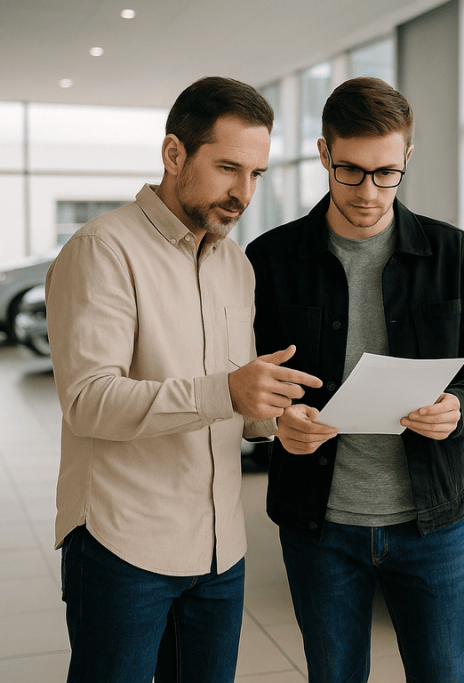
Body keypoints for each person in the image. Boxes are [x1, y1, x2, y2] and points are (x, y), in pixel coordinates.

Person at [45, 76, 322, 683]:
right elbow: (89, 402)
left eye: (256, 174)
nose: (244, 192)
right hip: (124, 545)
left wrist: (279, 419)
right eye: (228, 168)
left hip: (221, 550)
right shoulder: (102, 250)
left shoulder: (234, 263)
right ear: (174, 154)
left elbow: (241, 404)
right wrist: (226, 390)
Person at [245, 77, 464, 683]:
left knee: (446, 677)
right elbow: (244, 384)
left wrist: (460, 407)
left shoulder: (454, 254)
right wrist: (272, 423)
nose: (369, 192)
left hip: (433, 522)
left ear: (408, 158)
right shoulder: (270, 261)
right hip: (321, 526)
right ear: (323, 154)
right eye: (351, 171)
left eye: (387, 172)